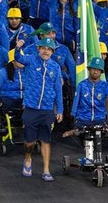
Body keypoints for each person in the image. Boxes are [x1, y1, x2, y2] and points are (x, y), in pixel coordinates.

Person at [14, 37, 63, 182]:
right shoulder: (30, 60)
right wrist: (17, 48)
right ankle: (28, 158)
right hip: (31, 108)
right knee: (30, 142)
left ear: (52, 51)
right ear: (38, 49)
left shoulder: (55, 67)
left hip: (47, 109)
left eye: (48, 49)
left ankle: (46, 170)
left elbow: (58, 90)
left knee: (46, 140)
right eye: (43, 48)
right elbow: (18, 58)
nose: (45, 51)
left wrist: (59, 109)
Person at [67, 57, 108, 130]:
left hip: (100, 119)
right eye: (94, 69)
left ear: (101, 72)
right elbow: (76, 101)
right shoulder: (81, 85)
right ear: (89, 69)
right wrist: (73, 115)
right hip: (82, 119)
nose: (96, 72)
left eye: (98, 70)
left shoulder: (106, 86)